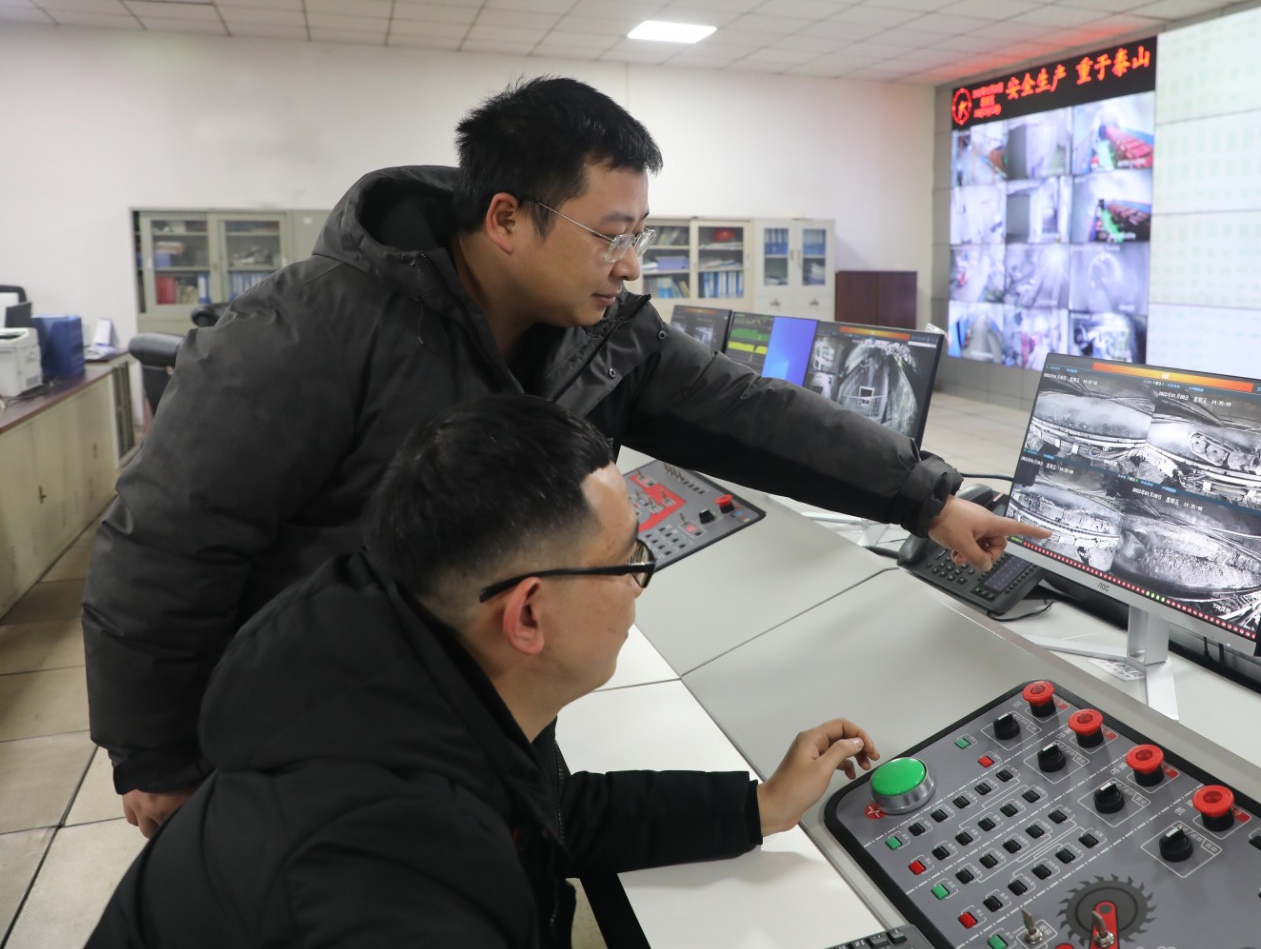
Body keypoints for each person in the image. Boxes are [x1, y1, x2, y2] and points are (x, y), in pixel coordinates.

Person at [84, 75, 1045, 836]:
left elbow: (746, 411)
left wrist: (925, 499)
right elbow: (165, 544)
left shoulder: (605, 335)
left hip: (482, 705)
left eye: (641, 236)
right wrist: (157, 758)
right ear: (506, 218)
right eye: (608, 236)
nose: (629, 265)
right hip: (316, 727)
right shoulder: (309, 329)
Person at [88, 395, 881, 947]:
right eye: (626, 560)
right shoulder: (391, 882)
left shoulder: (392, 677)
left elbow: (545, 816)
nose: (640, 583)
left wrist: (758, 807)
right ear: (526, 615)